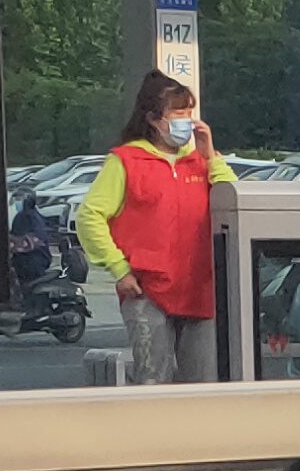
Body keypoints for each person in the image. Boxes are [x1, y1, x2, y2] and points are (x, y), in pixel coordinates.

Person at [77, 73, 234, 383]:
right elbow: (90, 216)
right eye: (178, 113)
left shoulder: (200, 161)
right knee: (153, 377)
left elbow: (235, 202)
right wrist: (119, 269)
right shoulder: (126, 160)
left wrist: (211, 157)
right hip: (145, 289)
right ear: (153, 118)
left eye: (189, 112)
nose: (187, 121)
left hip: (201, 289)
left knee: (202, 381)